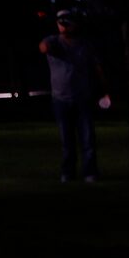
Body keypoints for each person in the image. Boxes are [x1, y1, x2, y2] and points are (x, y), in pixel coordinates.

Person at [38, 9, 111, 183]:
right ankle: (67, 173)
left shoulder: (85, 44)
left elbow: (97, 68)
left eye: (67, 23)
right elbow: (43, 47)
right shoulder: (53, 42)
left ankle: (90, 172)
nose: (64, 27)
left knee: (87, 139)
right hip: (60, 99)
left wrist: (105, 89)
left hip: (83, 98)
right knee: (67, 140)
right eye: (61, 24)